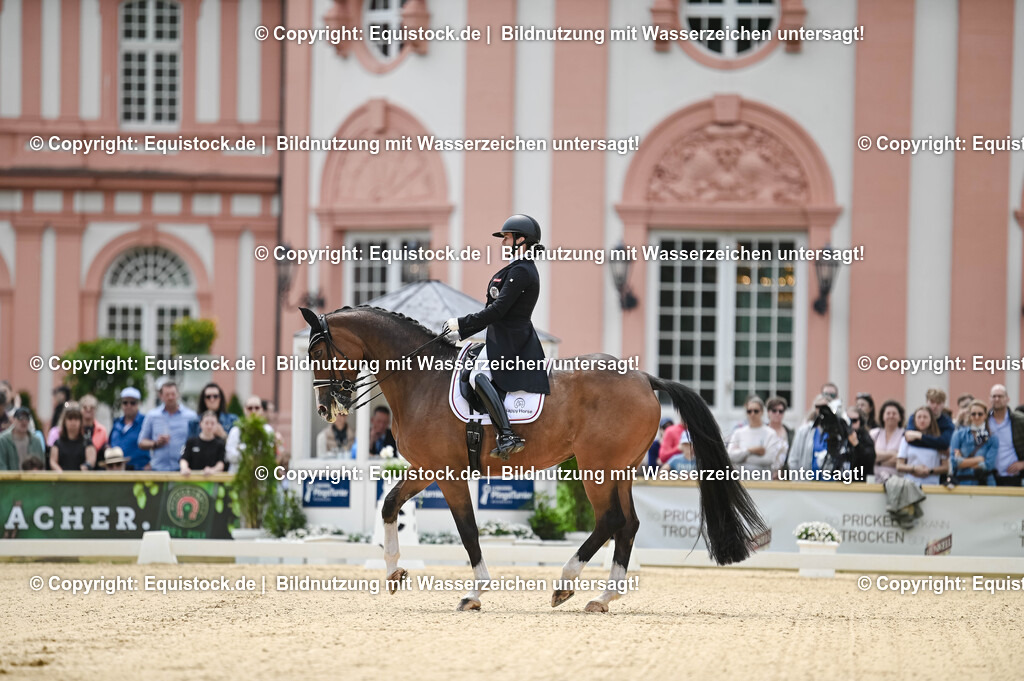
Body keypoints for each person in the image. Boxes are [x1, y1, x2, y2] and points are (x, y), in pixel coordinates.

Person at [442, 214, 550, 459]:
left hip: (512, 341)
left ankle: (507, 434)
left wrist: (461, 324)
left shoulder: (522, 271)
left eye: (508, 238)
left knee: (476, 376)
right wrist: (462, 333)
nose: (504, 243)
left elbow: (498, 310)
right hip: (501, 337)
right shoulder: (515, 269)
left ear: (522, 240)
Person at [138, 380, 197, 472]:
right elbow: (141, 442)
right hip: (158, 469)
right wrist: (156, 443)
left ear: (178, 394)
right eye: (167, 394)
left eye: (173, 394)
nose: (170, 397)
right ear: (161, 396)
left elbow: (197, 442)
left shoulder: (191, 416)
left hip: (183, 470)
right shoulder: (152, 416)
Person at [727, 396, 786, 475]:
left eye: (756, 411)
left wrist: (741, 458)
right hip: (742, 480)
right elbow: (730, 456)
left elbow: (768, 459)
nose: (752, 414)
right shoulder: (738, 433)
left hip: (763, 482)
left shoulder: (770, 434)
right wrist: (751, 450)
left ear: (761, 412)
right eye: (749, 411)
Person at [225, 397, 283, 473]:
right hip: (239, 475)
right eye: (250, 408)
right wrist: (247, 455)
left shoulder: (267, 430)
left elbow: (269, 453)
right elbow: (230, 455)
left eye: (257, 408)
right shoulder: (236, 430)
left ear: (261, 410)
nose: (253, 411)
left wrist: (241, 449)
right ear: (244, 410)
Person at [948, 400, 998, 487]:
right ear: (970, 416)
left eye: (980, 414)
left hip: (985, 484)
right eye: (973, 414)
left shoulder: (992, 438)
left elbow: (988, 465)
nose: (977, 417)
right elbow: (954, 463)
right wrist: (979, 459)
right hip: (963, 483)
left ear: (985, 416)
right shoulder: (959, 435)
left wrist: (962, 462)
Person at [897, 406, 948, 486]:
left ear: (931, 420)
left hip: (932, 484)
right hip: (910, 484)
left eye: (925, 417)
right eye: (919, 417)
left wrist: (930, 471)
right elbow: (899, 465)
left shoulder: (938, 440)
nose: (922, 420)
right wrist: (914, 469)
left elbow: (945, 467)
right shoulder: (906, 440)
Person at [987, 384, 1024, 486]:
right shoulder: (984, 420)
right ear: (990, 399)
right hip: (989, 477)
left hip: (1013, 477)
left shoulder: (1020, 420)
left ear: (1007, 399)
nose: (997, 399)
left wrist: (1022, 464)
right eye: (994, 396)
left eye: (1000, 396)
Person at [49, 402, 97, 472]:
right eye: (70, 419)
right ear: (64, 421)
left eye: (76, 419)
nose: (73, 422)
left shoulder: (87, 442)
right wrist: (60, 472)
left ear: (81, 422)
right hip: (62, 480)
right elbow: (53, 462)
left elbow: (91, 461)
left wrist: (85, 467)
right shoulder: (57, 443)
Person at [180, 411, 227, 477]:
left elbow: (221, 463)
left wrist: (212, 470)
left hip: (212, 481)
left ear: (217, 425)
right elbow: (184, 459)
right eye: (206, 423)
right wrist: (184, 468)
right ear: (200, 424)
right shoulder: (191, 442)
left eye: (212, 423)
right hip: (192, 480)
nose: (209, 426)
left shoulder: (220, 444)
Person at [110, 387, 147, 470]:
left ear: (139, 404)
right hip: (117, 471)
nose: (128, 406)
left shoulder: (146, 421)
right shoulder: (117, 423)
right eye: (125, 402)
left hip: (140, 470)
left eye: (132, 403)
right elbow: (110, 443)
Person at [871, 400, 905, 483]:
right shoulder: (874, 433)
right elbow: (870, 456)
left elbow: (903, 460)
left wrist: (879, 461)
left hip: (897, 481)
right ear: (883, 416)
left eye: (894, 413)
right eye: (888, 413)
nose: (891, 416)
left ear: (900, 417)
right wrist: (893, 453)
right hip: (875, 480)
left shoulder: (904, 435)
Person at [845, 406, 876, 481]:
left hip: (860, 483)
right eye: (847, 420)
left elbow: (869, 461)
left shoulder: (865, 437)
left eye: (854, 420)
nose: (850, 424)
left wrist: (856, 444)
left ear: (860, 422)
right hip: (841, 482)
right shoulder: (840, 437)